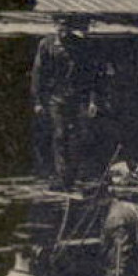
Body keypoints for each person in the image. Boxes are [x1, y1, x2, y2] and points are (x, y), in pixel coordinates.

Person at [31, 16, 99, 190]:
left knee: (78, 136)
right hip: (55, 97)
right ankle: (63, 178)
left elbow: (90, 74)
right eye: (60, 27)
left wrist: (92, 100)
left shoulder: (80, 45)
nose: (63, 31)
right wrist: (38, 100)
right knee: (60, 135)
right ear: (54, 26)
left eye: (67, 27)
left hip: (77, 97)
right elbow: (38, 74)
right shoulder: (46, 45)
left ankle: (72, 176)